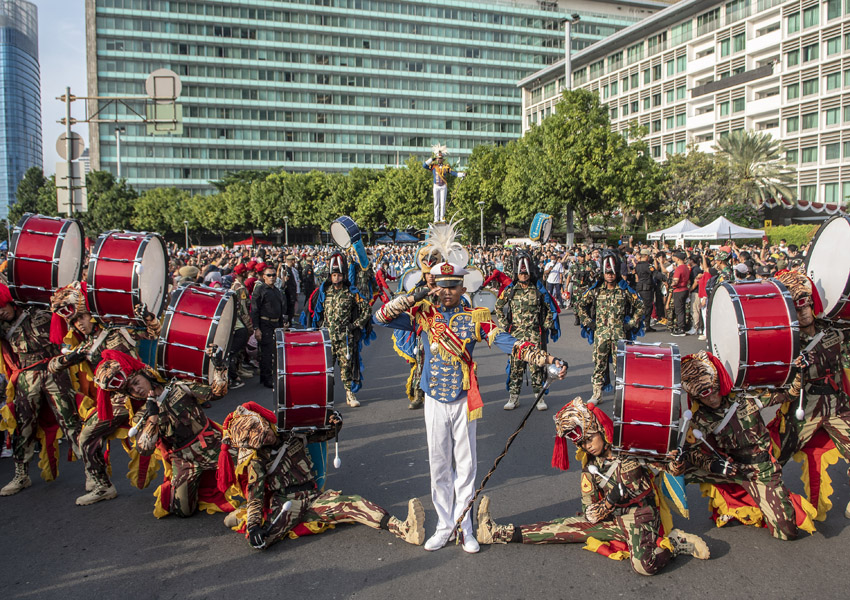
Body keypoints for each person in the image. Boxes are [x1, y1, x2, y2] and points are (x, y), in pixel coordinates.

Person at [374, 259, 567, 553]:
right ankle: (444, 525)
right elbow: (381, 318)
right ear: (435, 286)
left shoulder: (476, 317)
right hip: (435, 399)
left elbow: (508, 342)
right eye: (442, 286)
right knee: (439, 465)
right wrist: (415, 296)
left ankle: (464, 526)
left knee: (466, 466)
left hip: (464, 399)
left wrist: (547, 359)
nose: (448, 292)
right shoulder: (424, 314)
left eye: (453, 286)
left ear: (463, 287)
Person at [476, 396, 709, 576]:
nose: (588, 446)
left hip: (642, 516)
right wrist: (609, 502)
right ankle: (496, 533)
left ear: (600, 430)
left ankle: (675, 544)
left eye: (590, 439)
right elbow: (591, 512)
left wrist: (677, 461)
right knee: (560, 529)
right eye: (582, 443)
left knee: (644, 567)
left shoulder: (630, 448)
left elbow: (670, 469)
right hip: (612, 518)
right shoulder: (589, 469)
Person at [217, 402, 425, 550]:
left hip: (314, 497)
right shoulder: (257, 462)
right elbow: (256, 496)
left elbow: (323, 433)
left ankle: (403, 528)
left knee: (354, 504)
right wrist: (253, 527)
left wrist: (335, 422)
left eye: (266, 431)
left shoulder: (291, 432)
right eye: (263, 439)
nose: (268, 437)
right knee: (262, 541)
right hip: (286, 505)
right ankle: (242, 519)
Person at [678, 351, 814, 540]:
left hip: (761, 470)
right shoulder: (700, 418)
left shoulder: (745, 396)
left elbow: (789, 393)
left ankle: (758, 502)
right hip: (730, 468)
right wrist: (714, 465)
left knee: (787, 532)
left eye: (713, 391)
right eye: (704, 396)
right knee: (673, 470)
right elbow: (690, 451)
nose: (711, 399)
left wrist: (800, 372)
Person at [47, 282, 161, 505]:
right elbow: (54, 366)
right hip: (116, 400)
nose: (78, 324)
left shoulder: (120, 329)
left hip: (141, 394)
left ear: (93, 315)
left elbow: (153, 332)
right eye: (73, 321)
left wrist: (148, 317)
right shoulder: (87, 345)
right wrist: (66, 358)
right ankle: (100, 483)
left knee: (162, 437)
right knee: (87, 434)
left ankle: (102, 484)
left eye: (82, 317)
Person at [96, 347, 237, 518]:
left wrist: (220, 367)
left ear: (145, 374)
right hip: (184, 459)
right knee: (183, 511)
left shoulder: (178, 387)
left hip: (212, 445)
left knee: (250, 469)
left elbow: (216, 393)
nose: (136, 390)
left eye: (136, 382)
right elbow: (144, 449)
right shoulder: (141, 416)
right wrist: (152, 417)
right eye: (130, 390)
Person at [772, 270, 850, 521]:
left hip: (839, 406)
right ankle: (768, 502)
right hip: (805, 408)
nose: (803, 312)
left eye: (806, 304)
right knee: (774, 460)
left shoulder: (834, 331)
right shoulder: (786, 343)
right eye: (796, 307)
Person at [0, 283, 82, 496]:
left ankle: (95, 474)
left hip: (55, 370)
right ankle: (21, 475)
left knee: (71, 421)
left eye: (2, 307)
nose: (1, 312)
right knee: (23, 426)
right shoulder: (2, 325)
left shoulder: (40, 310)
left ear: (11, 302)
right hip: (27, 375)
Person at [575, 251, 644, 402]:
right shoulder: (596, 290)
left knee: (620, 367)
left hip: (619, 334)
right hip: (601, 334)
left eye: (612, 272)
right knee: (599, 364)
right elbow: (580, 305)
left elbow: (640, 306)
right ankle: (597, 393)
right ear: (603, 273)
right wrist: (589, 322)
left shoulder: (624, 290)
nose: (610, 275)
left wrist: (631, 323)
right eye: (607, 272)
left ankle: (621, 396)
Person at [495, 250, 560, 411]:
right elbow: (498, 307)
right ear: (517, 273)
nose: (523, 275)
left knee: (537, 367)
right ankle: (514, 397)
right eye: (521, 273)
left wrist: (545, 325)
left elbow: (551, 309)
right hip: (515, 335)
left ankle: (539, 398)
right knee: (516, 367)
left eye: (526, 273)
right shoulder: (511, 290)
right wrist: (504, 325)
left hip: (533, 335)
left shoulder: (538, 289)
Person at [307, 252, 373, 407]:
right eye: (333, 275)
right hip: (327, 337)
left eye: (339, 275)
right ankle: (324, 397)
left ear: (343, 275)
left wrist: (355, 325)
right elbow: (314, 312)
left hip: (345, 337)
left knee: (346, 368)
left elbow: (366, 310)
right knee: (325, 370)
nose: (336, 278)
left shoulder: (351, 293)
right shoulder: (324, 293)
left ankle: (350, 394)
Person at [251, 265, 288, 389]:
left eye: (273, 275)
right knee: (266, 352)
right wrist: (256, 328)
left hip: (276, 323)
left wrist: (282, 324)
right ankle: (266, 379)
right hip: (264, 324)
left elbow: (281, 308)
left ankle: (266, 376)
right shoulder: (260, 290)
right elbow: (255, 310)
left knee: (274, 351)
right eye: (269, 275)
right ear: (264, 277)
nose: (272, 277)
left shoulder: (276, 291)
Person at [229, 263, 254, 386]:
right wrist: (248, 324)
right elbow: (243, 308)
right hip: (240, 321)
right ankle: (237, 369)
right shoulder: (241, 289)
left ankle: (239, 367)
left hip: (235, 320)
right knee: (239, 347)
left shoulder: (234, 285)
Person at [423, 150, 461, 222]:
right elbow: (424, 165)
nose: (439, 160)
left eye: (440, 158)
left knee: (443, 203)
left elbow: (453, 173)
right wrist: (432, 159)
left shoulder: (445, 167)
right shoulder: (434, 166)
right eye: (438, 158)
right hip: (436, 185)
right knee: (436, 202)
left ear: (443, 159)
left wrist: (461, 175)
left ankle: (442, 218)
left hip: (443, 186)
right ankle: (436, 218)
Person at [633, 249, 656, 332]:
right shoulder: (648, 266)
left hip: (639, 287)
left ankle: (639, 324)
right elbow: (655, 273)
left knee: (640, 306)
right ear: (646, 256)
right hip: (646, 288)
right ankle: (646, 325)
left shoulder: (637, 265)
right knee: (648, 307)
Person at [670, 252, 690, 336]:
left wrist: (671, 283)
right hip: (685, 289)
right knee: (682, 309)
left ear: (678, 259)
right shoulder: (686, 267)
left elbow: (675, 281)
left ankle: (681, 328)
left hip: (679, 290)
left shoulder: (679, 269)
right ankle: (682, 326)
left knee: (679, 310)